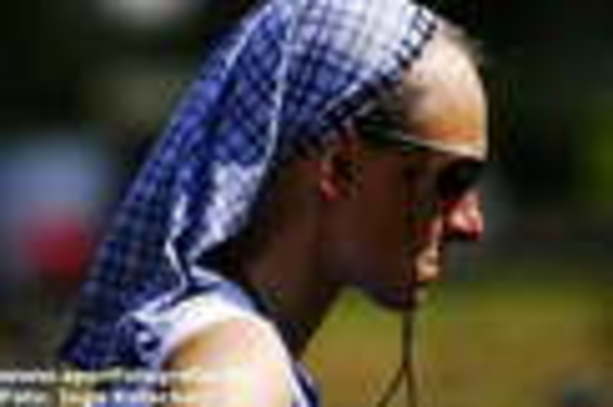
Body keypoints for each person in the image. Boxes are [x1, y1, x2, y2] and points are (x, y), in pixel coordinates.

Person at [59, 0, 487, 405]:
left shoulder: (208, 340)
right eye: (454, 179)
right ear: (339, 166)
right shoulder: (240, 363)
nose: (471, 223)